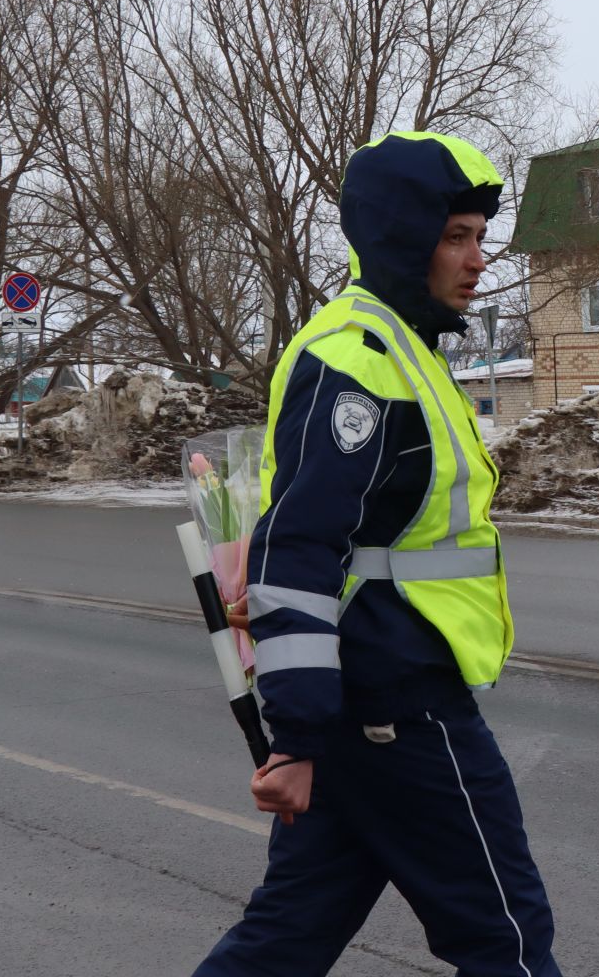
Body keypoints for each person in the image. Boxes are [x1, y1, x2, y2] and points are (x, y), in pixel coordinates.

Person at [193, 131, 562, 977]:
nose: (477, 260)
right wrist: (295, 736)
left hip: (372, 702)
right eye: (455, 237)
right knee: (505, 935)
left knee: (287, 935)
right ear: (402, 235)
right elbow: (300, 549)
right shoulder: (357, 363)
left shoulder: (403, 350)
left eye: (479, 237)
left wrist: (312, 734)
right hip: (399, 703)